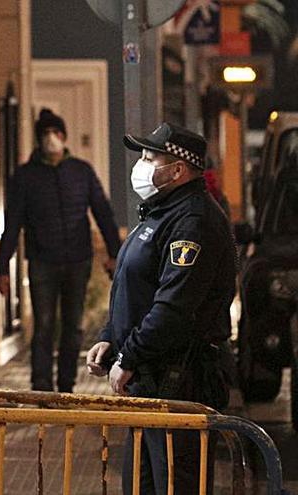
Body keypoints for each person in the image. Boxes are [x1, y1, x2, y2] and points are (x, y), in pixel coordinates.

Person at [86, 123, 235, 494]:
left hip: (179, 378)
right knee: (142, 485)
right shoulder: (159, 213)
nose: (142, 163)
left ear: (179, 170)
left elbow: (174, 306)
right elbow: (134, 287)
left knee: (175, 484)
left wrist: (130, 355)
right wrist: (110, 338)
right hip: (151, 377)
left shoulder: (193, 221)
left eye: (151, 157)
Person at [0, 108, 121, 393]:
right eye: (47, 134)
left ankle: (66, 386)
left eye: (57, 133)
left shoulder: (81, 171)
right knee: (44, 326)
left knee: (73, 327)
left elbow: (103, 213)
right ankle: (41, 386)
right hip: (42, 262)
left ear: (65, 137)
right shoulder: (26, 177)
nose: (53, 139)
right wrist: (1, 267)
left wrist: (116, 254)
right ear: (39, 140)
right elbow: (12, 224)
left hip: (78, 259)